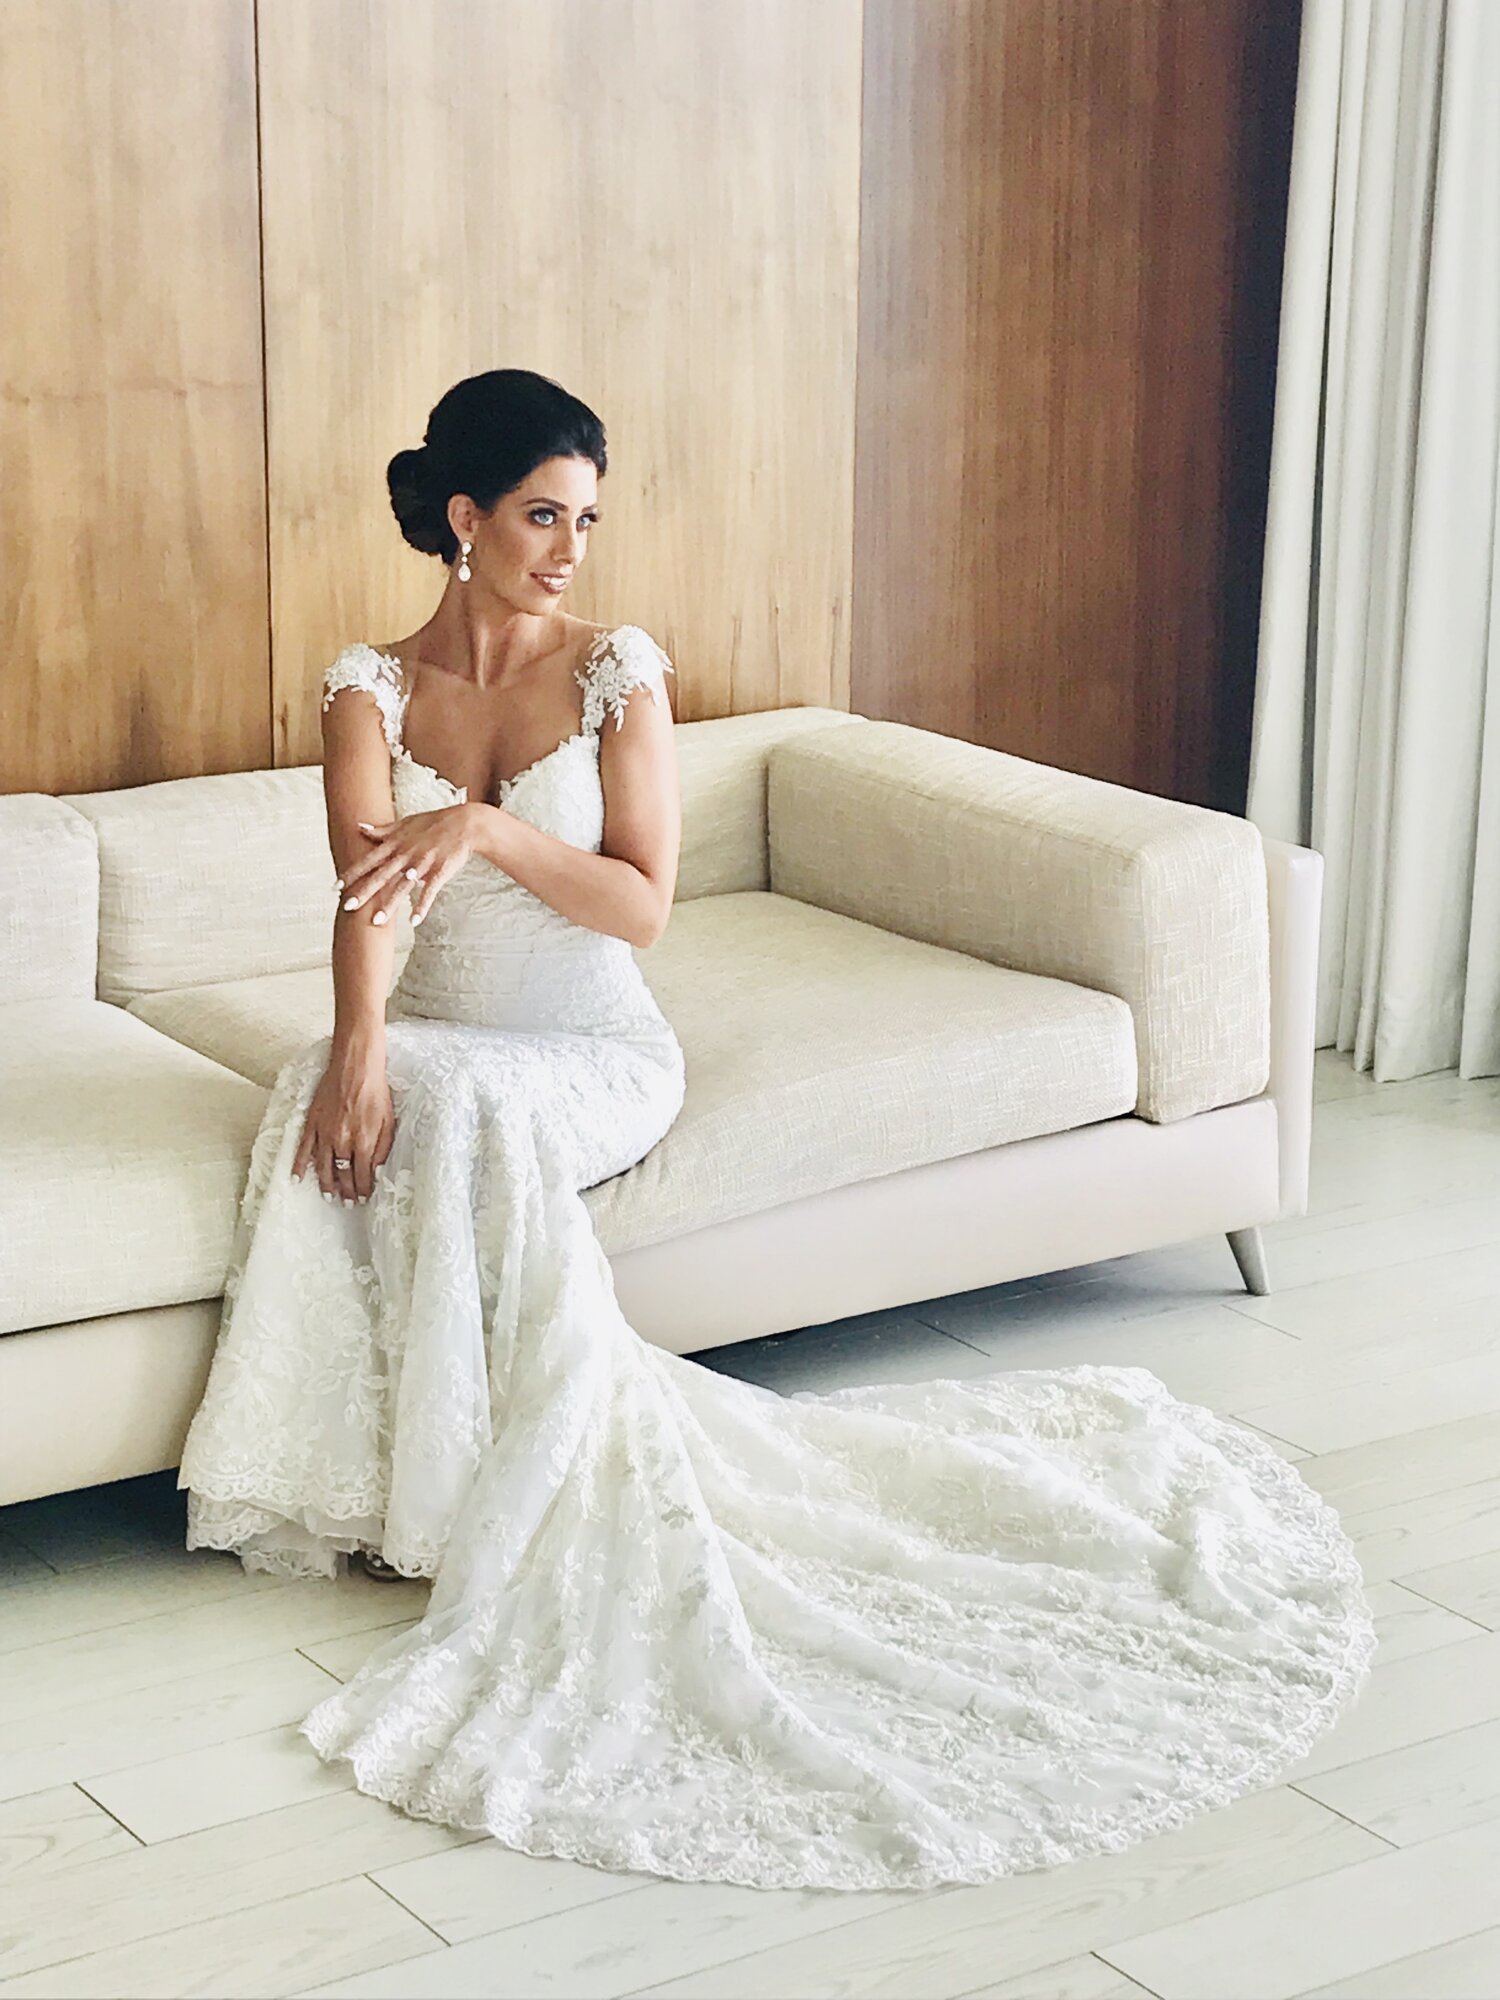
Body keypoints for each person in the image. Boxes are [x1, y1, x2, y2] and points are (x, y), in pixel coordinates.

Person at [179, 367, 1376, 1894]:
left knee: (459, 1099)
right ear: (464, 516)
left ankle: (490, 1482)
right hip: (438, 1030)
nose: (568, 551)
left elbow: (641, 906)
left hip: (591, 1046)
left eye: (586, 521)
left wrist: (483, 826)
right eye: (542, 517)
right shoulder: (368, 687)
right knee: (318, 1088)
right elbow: (368, 899)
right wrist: (357, 1045)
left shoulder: (617, 673)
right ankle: (357, 1483)